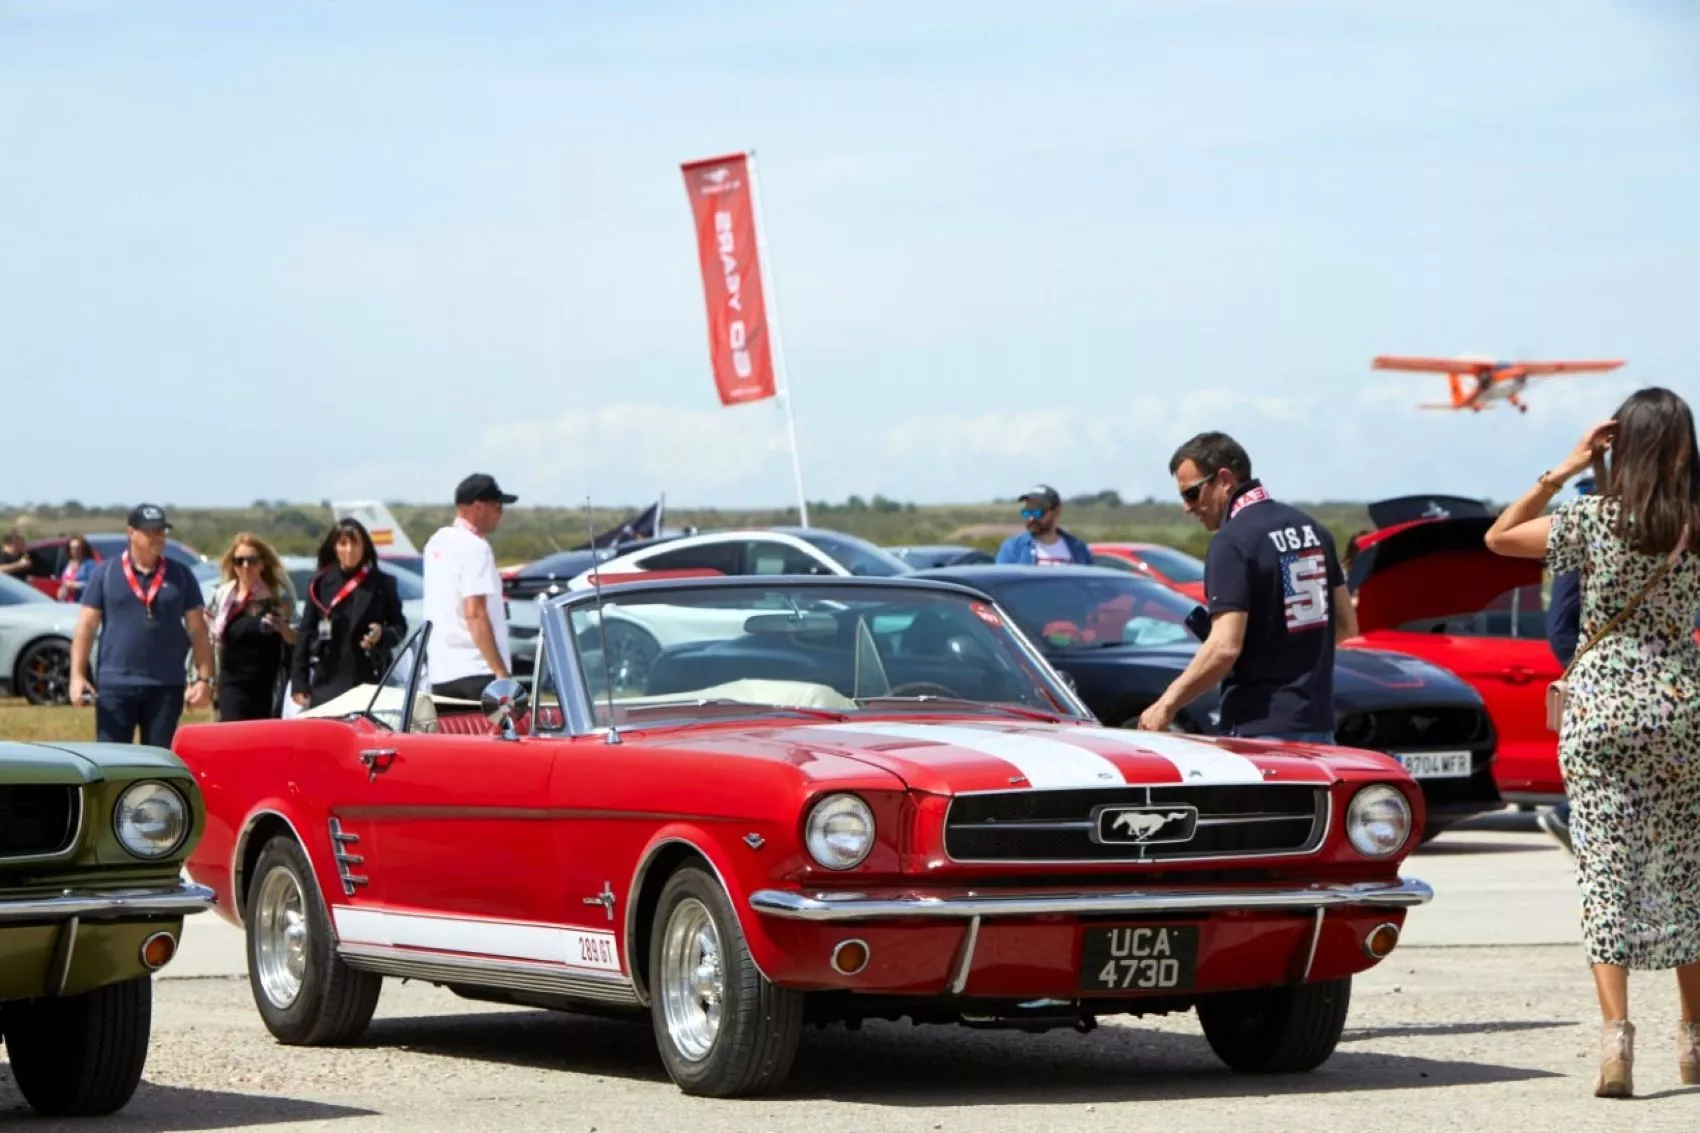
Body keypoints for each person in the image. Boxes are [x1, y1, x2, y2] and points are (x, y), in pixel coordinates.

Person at [1484, 389, 1700, 1098]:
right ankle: (1694, 1037)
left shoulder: (1592, 518)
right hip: (1679, 709)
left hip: (1601, 710)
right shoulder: (1694, 523)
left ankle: (1616, 1042)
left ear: (1623, 447)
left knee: (1606, 870)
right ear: (1681, 448)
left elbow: (1499, 537)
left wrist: (1567, 465)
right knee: (1684, 871)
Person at [1138, 432, 1356, 740]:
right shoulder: (1313, 529)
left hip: (1260, 728)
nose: (1187, 508)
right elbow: (1347, 625)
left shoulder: (1232, 541)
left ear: (1224, 479)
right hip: (1318, 725)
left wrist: (1165, 705)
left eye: (1191, 494)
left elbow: (1224, 646)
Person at [68, 504, 213, 745]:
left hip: (166, 685)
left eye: (161, 531)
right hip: (116, 685)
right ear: (131, 532)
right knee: (112, 765)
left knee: (157, 764)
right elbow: (86, 627)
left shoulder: (181, 575)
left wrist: (204, 679)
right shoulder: (106, 573)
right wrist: (77, 676)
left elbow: (198, 630)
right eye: (150, 531)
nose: (157, 537)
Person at [290, 518, 407, 710]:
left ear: (365, 546)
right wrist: (299, 681)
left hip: (369, 678)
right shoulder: (319, 584)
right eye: (343, 544)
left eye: (354, 543)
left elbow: (400, 626)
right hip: (328, 679)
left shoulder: (382, 584)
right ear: (335, 547)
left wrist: (382, 635)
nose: (349, 550)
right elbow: (305, 633)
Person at [1536, 476, 1595, 857]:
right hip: (1605, 686)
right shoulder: (1584, 527)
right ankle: (1570, 814)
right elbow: (1561, 626)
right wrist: (1592, 675)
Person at [422, 473, 516, 701]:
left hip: (441, 673)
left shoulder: (436, 542)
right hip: (478, 670)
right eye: (497, 505)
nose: (500, 513)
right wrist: (501, 673)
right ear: (478, 506)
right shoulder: (476, 547)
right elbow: (475, 613)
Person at [207, 532, 297, 721]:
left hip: (268, 684)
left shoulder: (279, 598)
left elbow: (297, 638)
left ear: (263, 564)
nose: (245, 567)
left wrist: (282, 627)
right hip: (231, 682)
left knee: (263, 740)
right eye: (239, 561)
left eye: (252, 561)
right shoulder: (223, 596)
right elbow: (210, 638)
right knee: (233, 736)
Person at [994, 485, 1094, 566]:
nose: (1031, 518)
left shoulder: (1078, 549)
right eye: (1027, 513)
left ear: (1056, 512)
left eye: (1037, 512)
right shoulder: (1014, 549)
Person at [56, 534, 97, 602]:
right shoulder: (68, 565)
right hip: (68, 603)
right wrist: (61, 591)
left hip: (83, 602)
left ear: (82, 549)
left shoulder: (89, 564)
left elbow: (93, 584)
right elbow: (64, 583)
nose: (75, 551)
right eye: (72, 548)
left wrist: (74, 585)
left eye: (77, 548)